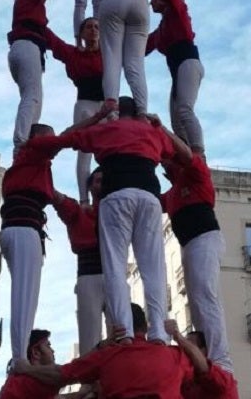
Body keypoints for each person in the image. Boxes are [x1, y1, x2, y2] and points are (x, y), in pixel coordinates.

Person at [47, 97, 191, 342]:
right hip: (149, 195)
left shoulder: (105, 128)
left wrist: (96, 117)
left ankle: (123, 330)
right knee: (153, 266)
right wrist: (160, 126)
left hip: (116, 197)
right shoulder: (150, 131)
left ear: (116, 114)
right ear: (138, 113)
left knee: (115, 265)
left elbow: (64, 139)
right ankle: (158, 332)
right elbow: (186, 155)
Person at [45, 0, 170, 115]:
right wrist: (171, 6)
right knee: (136, 63)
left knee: (111, 58)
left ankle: (111, 104)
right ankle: (142, 112)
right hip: (140, 1)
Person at [15, 303, 195, 398]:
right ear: (145, 328)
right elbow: (203, 368)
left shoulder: (106, 357)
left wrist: (25, 368)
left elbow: (63, 374)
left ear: (117, 327)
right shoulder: (173, 355)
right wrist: (178, 337)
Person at [160, 152, 233, 373]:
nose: (165, 166)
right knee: (198, 301)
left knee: (205, 295)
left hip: (205, 239)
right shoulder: (171, 195)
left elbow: (188, 152)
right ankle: (204, 347)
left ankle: (219, 356)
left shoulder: (196, 175)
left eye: (168, 161)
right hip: (190, 245)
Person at [0, 123, 64, 365]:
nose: (52, 143)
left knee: (25, 293)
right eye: (49, 138)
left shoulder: (29, 165)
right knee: (25, 295)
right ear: (36, 139)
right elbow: (68, 138)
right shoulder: (33, 154)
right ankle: (20, 359)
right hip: (24, 229)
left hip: (18, 230)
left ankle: (20, 355)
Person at [7, 0, 71, 156]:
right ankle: (21, 143)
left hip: (23, 48)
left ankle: (28, 139)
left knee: (35, 100)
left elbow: (56, 44)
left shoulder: (29, 12)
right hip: (27, 48)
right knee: (32, 96)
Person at [45, 19, 104, 203]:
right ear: (82, 34)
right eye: (89, 27)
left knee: (111, 150)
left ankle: (109, 191)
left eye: (96, 27)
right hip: (85, 104)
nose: (93, 30)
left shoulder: (110, 53)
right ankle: (84, 200)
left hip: (106, 104)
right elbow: (53, 41)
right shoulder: (74, 54)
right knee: (84, 152)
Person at [52, 168, 108, 355]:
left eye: (105, 180)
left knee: (121, 330)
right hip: (88, 275)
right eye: (98, 180)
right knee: (89, 336)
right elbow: (58, 199)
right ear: (90, 187)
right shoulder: (78, 212)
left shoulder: (118, 209)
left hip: (112, 274)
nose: (102, 184)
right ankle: (90, 382)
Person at [146, 0, 205, 155]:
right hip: (178, 69)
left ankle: (198, 154)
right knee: (176, 120)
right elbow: (143, 46)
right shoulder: (161, 29)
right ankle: (184, 155)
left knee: (184, 109)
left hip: (188, 62)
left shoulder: (177, 11)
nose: (151, 2)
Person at [165, 321, 239, 399]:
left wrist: (178, 337)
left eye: (189, 345)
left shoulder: (222, 379)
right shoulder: (187, 381)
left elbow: (205, 369)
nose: (184, 350)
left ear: (203, 351)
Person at [0, 329, 60, 398]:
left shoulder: (17, 384)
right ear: (35, 353)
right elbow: (65, 374)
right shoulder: (23, 385)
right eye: (48, 346)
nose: (53, 351)